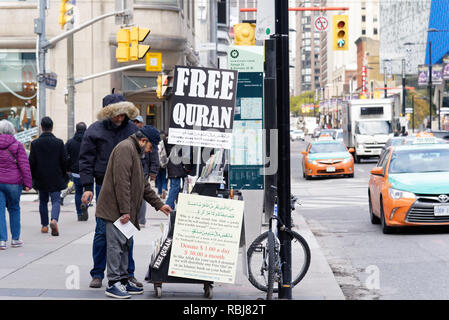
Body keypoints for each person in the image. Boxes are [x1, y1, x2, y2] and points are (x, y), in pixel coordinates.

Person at [95, 126, 171, 299]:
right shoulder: (125, 149)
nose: (150, 151)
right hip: (116, 211)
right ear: (144, 140)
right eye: (151, 147)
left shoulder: (134, 152)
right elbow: (121, 182)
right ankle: (114, 283)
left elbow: (142, 185)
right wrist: (125, 211)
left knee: (124, 245)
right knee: (116, 246)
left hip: (123, 210)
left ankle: (122, 280)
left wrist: (159, 205)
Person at [79, 93, 142, 289]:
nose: (119, 118)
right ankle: (97, 273)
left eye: (123, 114)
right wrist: (87, 187)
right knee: (101, 232)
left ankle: (127, 273)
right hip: (103, 186)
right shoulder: (94, 130)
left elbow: (142, 157)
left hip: (127, 187)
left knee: (127, 231)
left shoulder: (132, 130)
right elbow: (86, 160)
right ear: (107, 113)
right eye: (116, 115)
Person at [29, 117, 68, 236]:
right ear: (52, 127)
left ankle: (44, 225)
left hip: (41, 176)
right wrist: (64, 173)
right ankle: (54, 219)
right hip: (55, 176)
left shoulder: (35, 143)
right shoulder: (59, 142)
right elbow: (64, 161)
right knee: (56, 200)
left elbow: (32, 162)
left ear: (41, 127)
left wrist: (33, 176)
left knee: (43, 201)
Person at [0, 120, 32, 250]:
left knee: (0, 211)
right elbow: (24, 166)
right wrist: (28, 183)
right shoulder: (17, 145)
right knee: (14, 208)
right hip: (14, 183)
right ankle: (15, 239)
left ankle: (2, 241)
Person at [65, 122, 87, 221]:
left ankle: (79, 213)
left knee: (78, 192)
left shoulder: (70, 142)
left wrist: (68, 167)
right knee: (88, 191)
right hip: (87, 170)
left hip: (75, 170)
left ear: (76, 130)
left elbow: (65, 156)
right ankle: (85, 205)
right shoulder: (89, 141)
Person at [165, 142, 190, 210]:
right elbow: (186, 157)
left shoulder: (171, 141)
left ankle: (172, 205)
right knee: (175, 187)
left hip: (172, 166)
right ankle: (169, 205)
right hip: (177, 167)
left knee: (175, 186)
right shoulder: (183, 143)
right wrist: (188, 168)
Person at [156, 131, 169, 199]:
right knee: (164, 178)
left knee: (158, 178)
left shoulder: (156, 143)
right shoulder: (166, 143)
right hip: (164, 163)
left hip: (157, 163)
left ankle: (160, 192)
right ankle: (164, 188)